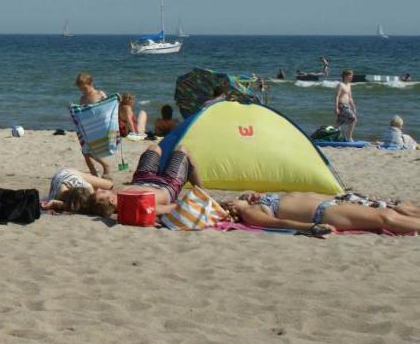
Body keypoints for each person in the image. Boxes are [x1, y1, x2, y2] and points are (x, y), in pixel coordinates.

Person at [60, 145, 199, 218]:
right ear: (112, 201)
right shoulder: (136, 206)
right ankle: (201, 188)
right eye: (102, 192)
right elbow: (170, 208)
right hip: (168, 184)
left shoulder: (112, 201)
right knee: (182, 150)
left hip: (142, 178)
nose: (99, 190)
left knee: (154, 148)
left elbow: (82, 203)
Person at [225, 191, 420, 235]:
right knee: (385, 218)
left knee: (387, 212)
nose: (231, 201)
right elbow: (280, 224)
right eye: (228, 204)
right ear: (232, 209)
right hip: (323, 215)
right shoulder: (250, 213)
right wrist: (312, 227)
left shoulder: (257, 200)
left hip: (330, 205)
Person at [43, 168, 114, 216]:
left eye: (102, 191)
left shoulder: (87, 188)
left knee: (109, 185)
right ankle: (93, 176)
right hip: (62, 178)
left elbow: (64, 204)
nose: (99, 189)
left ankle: (93, 176)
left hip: (66, 174)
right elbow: (59, 203)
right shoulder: (69, 203)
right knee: (110, 185)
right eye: (103, 191)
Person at [334, 69, 357, 140]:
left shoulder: (349, 85)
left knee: (338, 124)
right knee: (353, 119)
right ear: (346, 76)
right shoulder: (340, 85)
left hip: (347, 106)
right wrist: (336, 108)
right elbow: (337, 96)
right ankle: (349, 137)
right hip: (342, 106)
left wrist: (354, 107)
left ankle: (335, 137)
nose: (352, 77)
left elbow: (350, 98)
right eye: (351, 75)